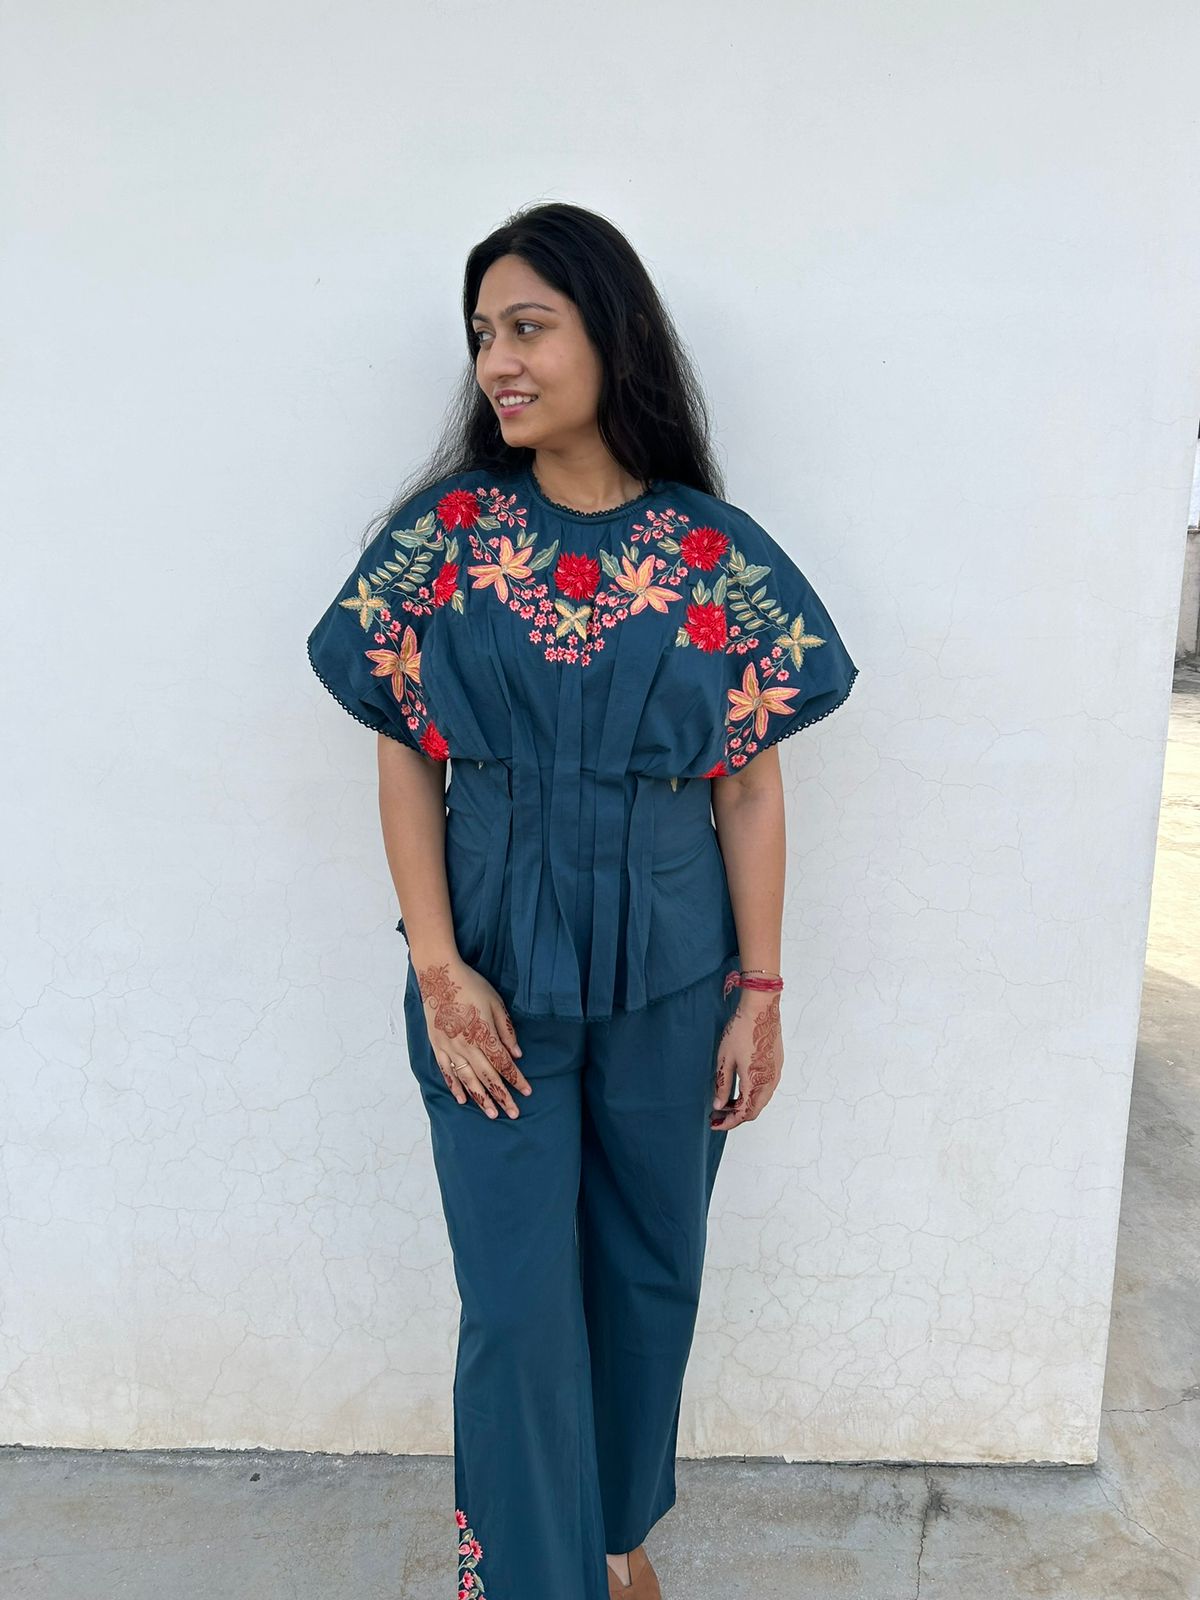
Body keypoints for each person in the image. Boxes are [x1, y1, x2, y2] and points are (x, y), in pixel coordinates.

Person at [306, 201, 858, 1600]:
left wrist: (765, 992)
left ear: (612, 335)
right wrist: (438, 970)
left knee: (648, 1274)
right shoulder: (440, 542)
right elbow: (404, 767)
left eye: (529, 327)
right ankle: (530, 1579)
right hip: (487, 982)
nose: (498, 360)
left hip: (675, 983)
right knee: (514, 1307)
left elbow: (749, 786)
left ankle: (613, 1544)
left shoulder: (710, 554)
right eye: (485, 335)